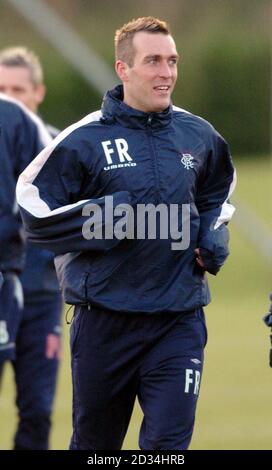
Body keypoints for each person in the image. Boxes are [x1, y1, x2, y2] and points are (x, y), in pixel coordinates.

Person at [17, 17, 236, 450]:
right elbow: (31, 206)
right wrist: (100, 218)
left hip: (178, 320)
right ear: (123, 69)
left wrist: (213, 232)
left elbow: (219, 190)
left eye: (172, 61)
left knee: (167, 449)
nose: (166, 72)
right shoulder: (85, 139)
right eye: (153, 61)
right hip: (104, 324)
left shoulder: (199, 134)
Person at [0, 47, 62, 450]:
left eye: (16, 89)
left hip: (42, 299)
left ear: (37, 93)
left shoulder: (64, 148)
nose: (7, 97)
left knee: (38, 411)